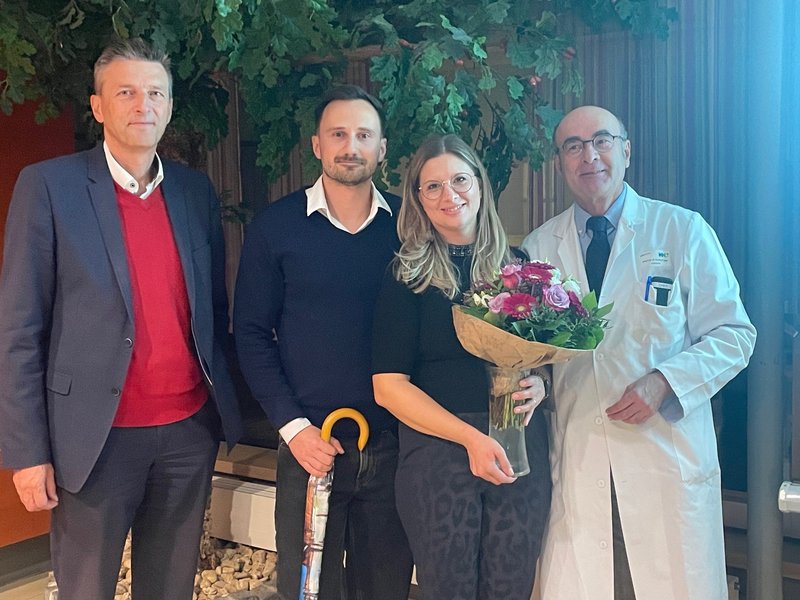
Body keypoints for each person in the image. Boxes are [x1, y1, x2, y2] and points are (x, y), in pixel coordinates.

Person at [0, 37, 243, 600]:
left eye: (155, 93)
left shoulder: (193, 191)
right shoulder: (50, 186)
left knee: (170, 588)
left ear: (170, 106)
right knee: (87, 590)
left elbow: (211, 310)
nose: (143, 105)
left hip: (187, 433)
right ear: (98, 106)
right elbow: (19, 331)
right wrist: (28, 453)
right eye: (126, 92)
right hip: (94, 439)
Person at [521, 105, 757, 600]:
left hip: (663, 459)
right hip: (581, 461)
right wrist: (536, 381)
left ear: (626, 151)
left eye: (602, 141)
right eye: (573, 146)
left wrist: (665, 382)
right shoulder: (539, 248)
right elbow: (537, 354)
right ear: (560, 163)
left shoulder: (682, 230)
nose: (589, 156)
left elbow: (735, 335)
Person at [233, 85, 413, 600]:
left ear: (382, 148)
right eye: (338, 134)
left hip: (396, 446)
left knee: (387, 590)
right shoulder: (275, 227)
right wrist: (293, 429)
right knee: (308, 591)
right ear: (316, 145)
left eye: (364, 135)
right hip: (310, 447)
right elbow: (251, 334)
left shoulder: (411, 227)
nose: (350, 147)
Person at [371, 133, 552, 600]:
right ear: (418, 199)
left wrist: (539, 385)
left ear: (480, 184)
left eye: (459, 180)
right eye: (432, 186)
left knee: (510, 589)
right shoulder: (406, 276)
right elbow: (388, 387)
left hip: (517, 445)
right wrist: (471, 438)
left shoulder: (521, 269)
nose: (448, 195)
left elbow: (539, 358)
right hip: (439, 456)